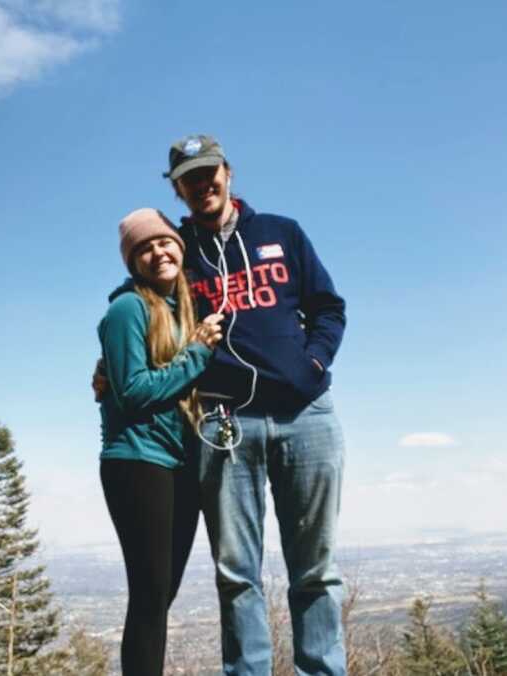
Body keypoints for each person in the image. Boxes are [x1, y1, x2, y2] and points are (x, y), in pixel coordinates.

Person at [165, 134, 347, 676]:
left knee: (315, 570)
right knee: (236, 572)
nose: (202, 185)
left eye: (208, 172)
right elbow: (134, 295)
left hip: (305, 417)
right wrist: (111, 360)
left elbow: (328, 308)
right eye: (188, 179)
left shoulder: (281, 232)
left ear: (228, 171)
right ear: (177, 189)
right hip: (224, 422)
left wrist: (311, 365)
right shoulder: (177, 249)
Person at [98, 207, 223, 676]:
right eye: (143, 248)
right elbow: (132, 392)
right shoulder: (127, 308)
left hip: (178, 465)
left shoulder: (183, 307)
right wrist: (197, 354)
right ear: (133, 263)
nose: (157, 252)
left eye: (163, 241)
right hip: (137, 461)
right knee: (150, 595)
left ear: (179, 246)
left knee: (162, 592)